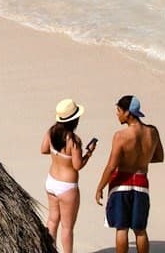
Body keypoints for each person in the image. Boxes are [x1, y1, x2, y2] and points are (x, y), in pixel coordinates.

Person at [95, 94, 163, 253]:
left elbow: (112, 166)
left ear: (128, 113)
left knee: (122, 228)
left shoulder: (121, 136)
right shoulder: (152, 132)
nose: (117, 114)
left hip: (121, 184)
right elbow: (159, 157)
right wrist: (142, 160)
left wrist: (100, 187)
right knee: (140, 229)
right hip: (141, 184)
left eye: (119, 110)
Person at [39, 100, 97, 253]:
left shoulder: (51, 132)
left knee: (52, 220)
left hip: (51, 181)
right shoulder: (74, 140)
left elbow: (44, 149)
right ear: (74, 120)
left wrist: (57, 153)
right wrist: (89, 153)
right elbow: (78, 166)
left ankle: (49, 251)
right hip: (67, 187)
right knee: (67, 227)